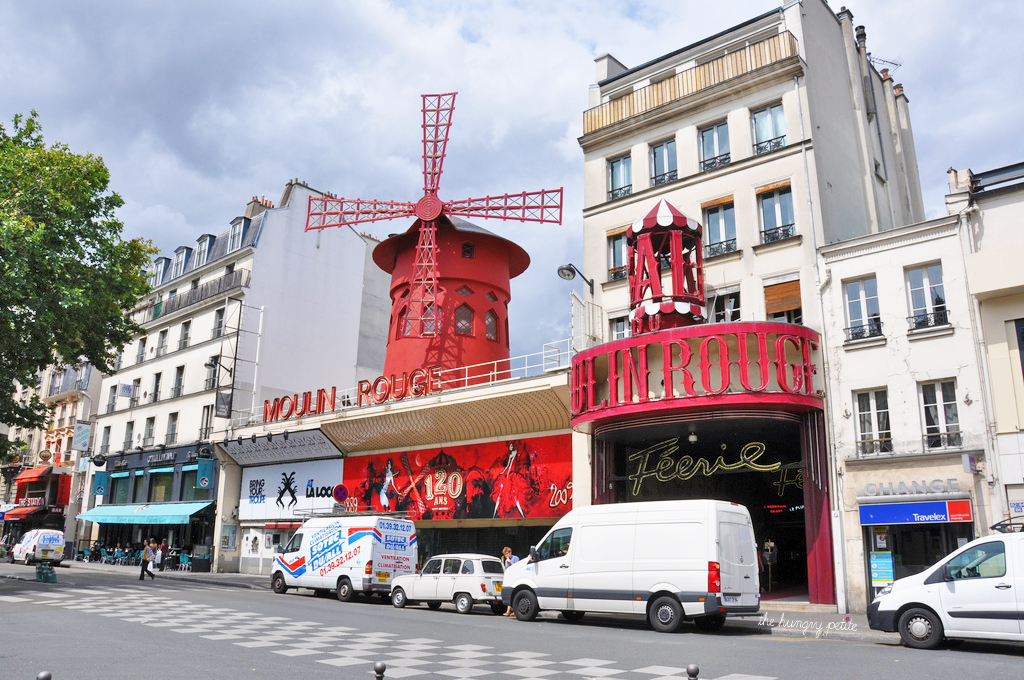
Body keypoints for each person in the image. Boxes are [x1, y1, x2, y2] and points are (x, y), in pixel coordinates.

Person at [501, 547, 519, 616]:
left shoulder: (515, 558)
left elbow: (517, 567)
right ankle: (508, 611)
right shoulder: (506, 561)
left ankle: (515, 611)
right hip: (510, 578)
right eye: (505, 555)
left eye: (507, 554)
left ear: (510, 553)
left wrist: (510, 562)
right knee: (510, 593)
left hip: (516, 578)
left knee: (515, 594)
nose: (506, 556)